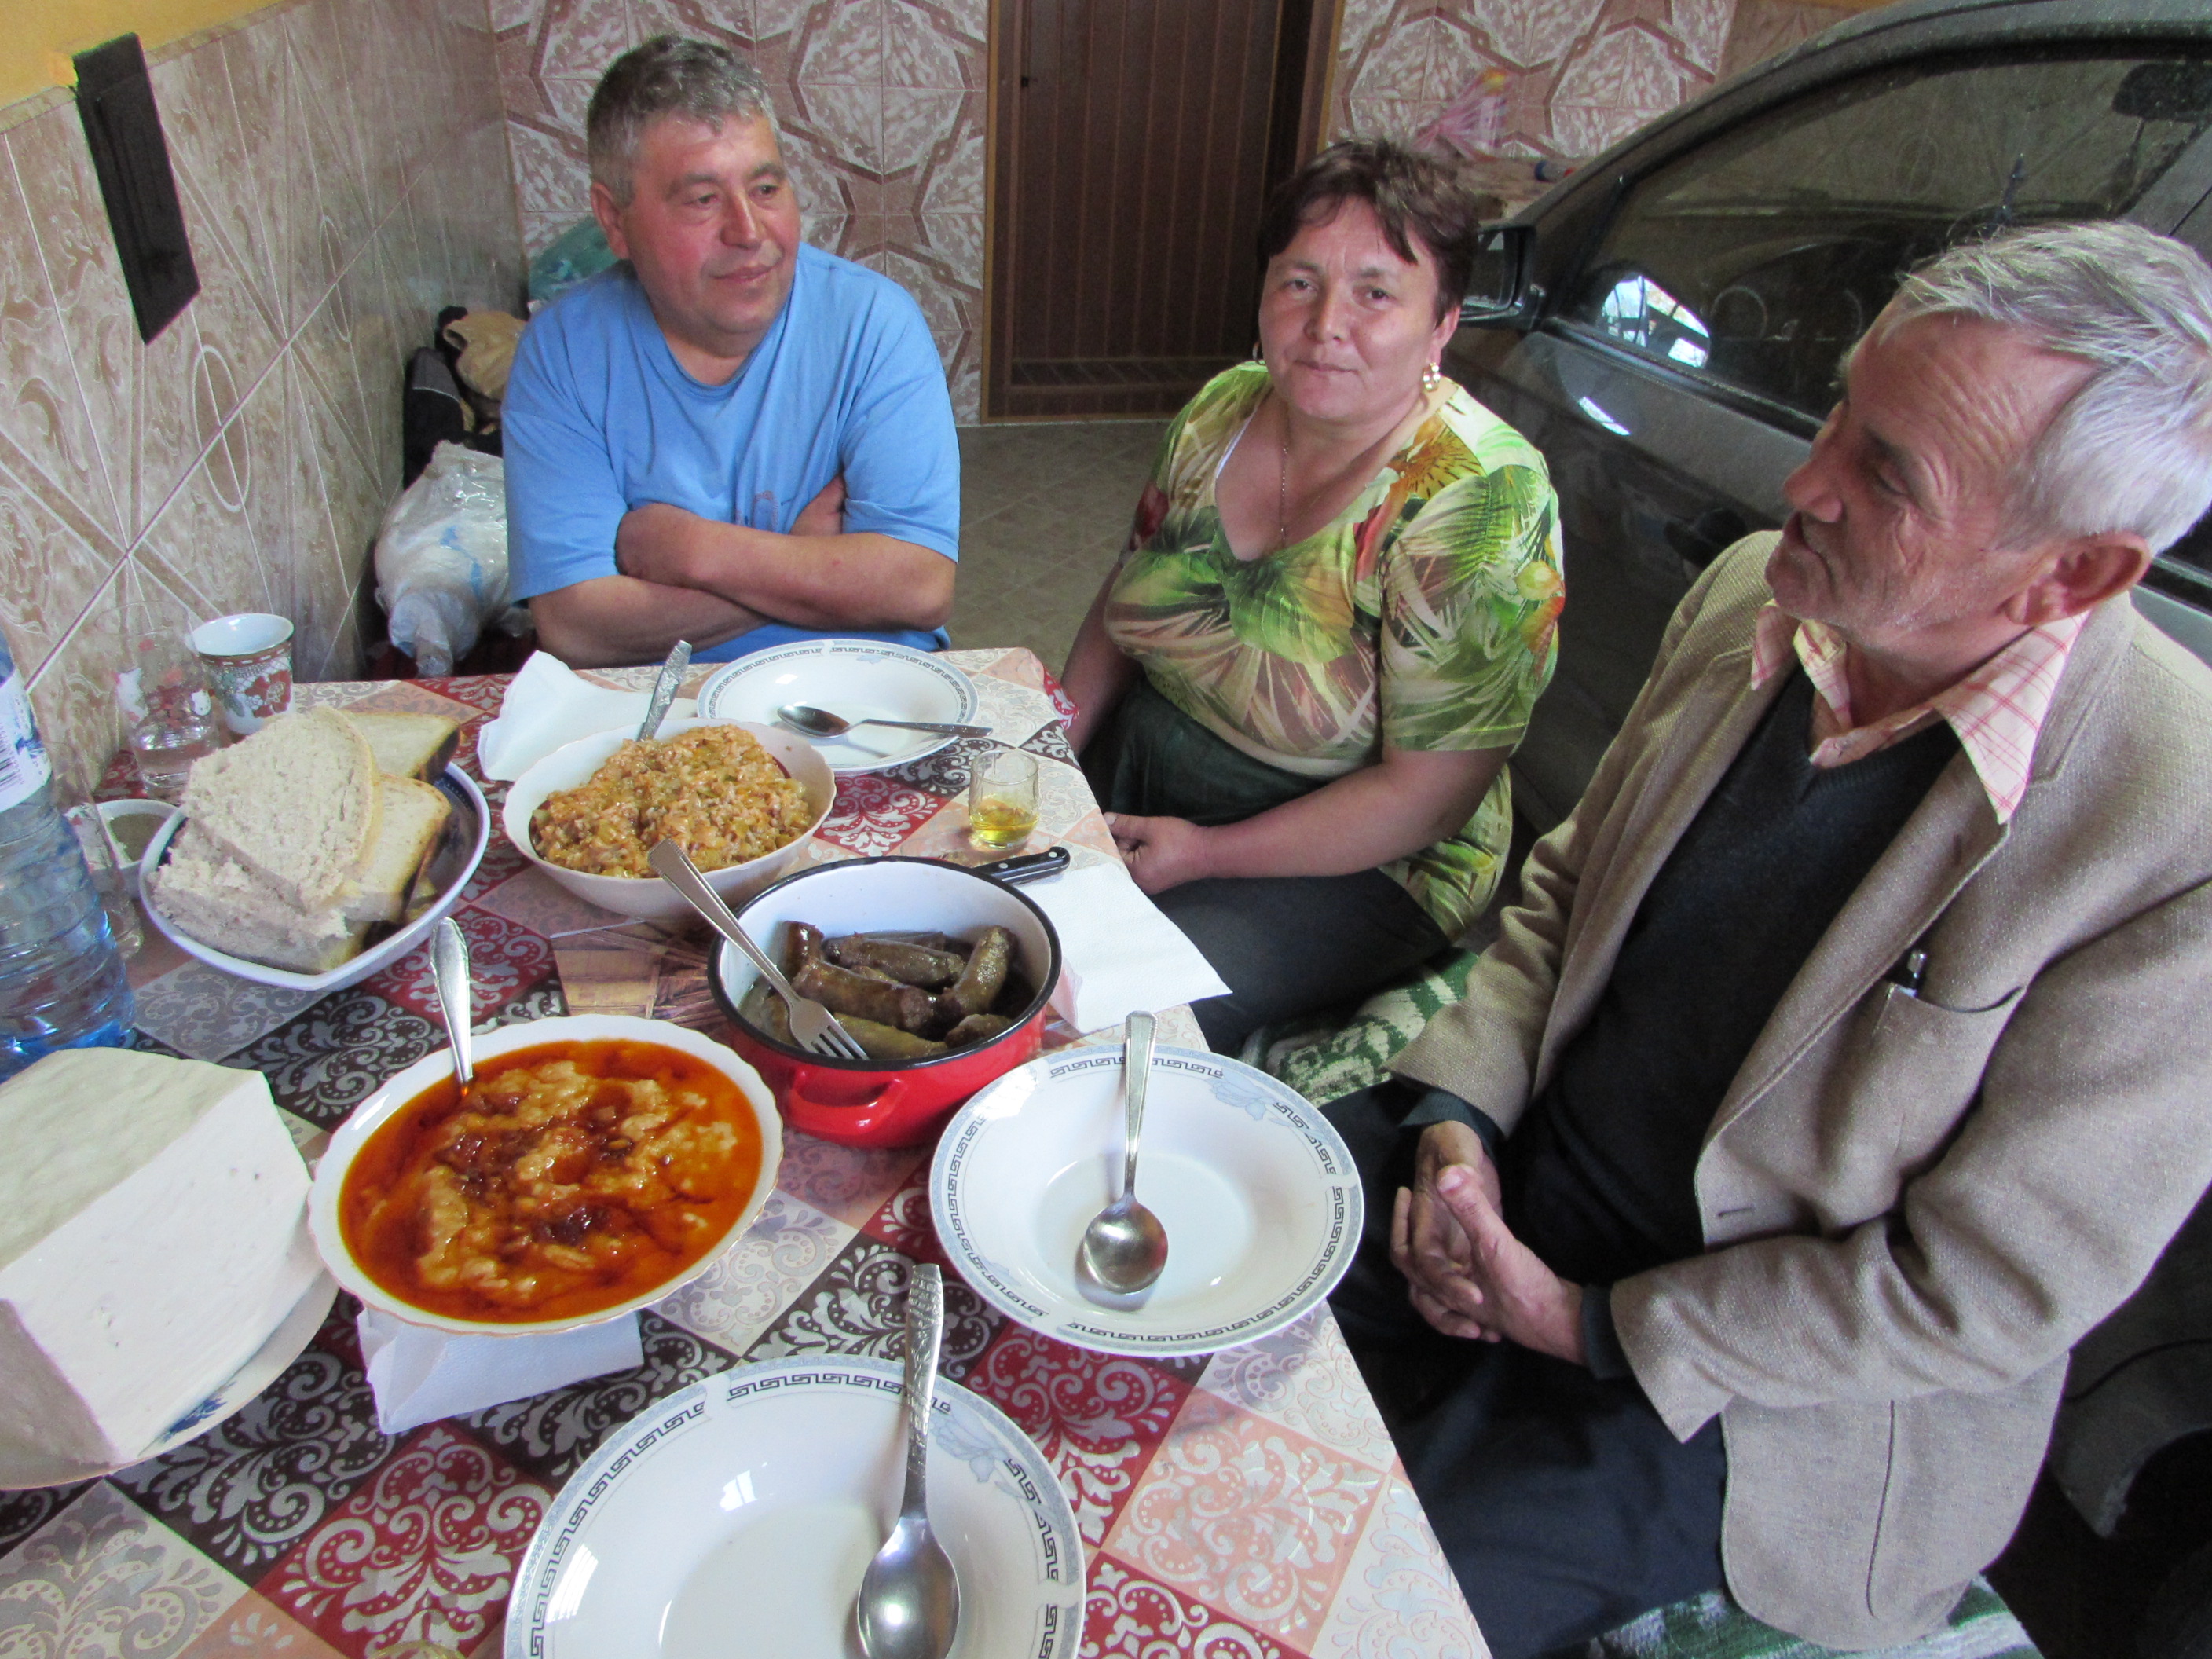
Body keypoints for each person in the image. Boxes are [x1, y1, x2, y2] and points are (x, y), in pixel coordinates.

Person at [1320, 219, 2212, 1659]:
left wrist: (1583, 1322)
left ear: (2070, 574)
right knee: (1179, 1262)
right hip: (1521, 1181)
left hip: (1760, 1389)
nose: (1805, 481)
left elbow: (1983, 1290)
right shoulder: (1759, 589)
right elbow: (1565, 891)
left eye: (1888, 473)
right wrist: (1456, 1129)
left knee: (1360, 1611)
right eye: (1842, 410)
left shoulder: (2173, 833)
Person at [1060, 139, 1564, 1054]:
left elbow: (1425, 801)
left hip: (1356, 855)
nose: (1325, 323)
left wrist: (1205, 854)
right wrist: (1053, 742)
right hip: (1151, 761)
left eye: (1374, 293)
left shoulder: (1478, 500)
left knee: (1111, 1020)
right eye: (1298, 282)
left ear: (1442, 323)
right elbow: (1128, 589)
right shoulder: (1223, 407)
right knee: (981, 908)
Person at [502, 36, 960, 668]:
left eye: (766, 188)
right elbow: (577, 627)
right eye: (702, 199)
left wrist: (694, 552)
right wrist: (801, 558)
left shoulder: (874, 323)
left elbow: (919, 586)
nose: (748, 232)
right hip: (663, 708)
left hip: (860, 687)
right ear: (613, 220)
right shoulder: (562, 354)